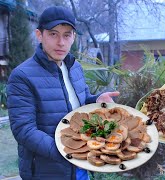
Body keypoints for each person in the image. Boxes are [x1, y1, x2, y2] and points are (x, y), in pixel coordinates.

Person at [6, 6, 119, 180]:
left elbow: (78, 105)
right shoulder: (22, 76)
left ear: (73, 37)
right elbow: (24, 130)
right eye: (53, 34)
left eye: (67, 35)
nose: (61, 42)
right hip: (47, 171)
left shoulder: (75, 67)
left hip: (80, 167)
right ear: (39, 35)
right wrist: (67, 151)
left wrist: (96, 100)